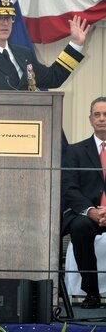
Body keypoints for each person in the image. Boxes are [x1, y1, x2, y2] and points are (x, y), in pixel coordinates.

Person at [62, 97, 106, 309]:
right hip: (87, 214)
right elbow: (69, 188)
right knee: (79, 228)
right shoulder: (75, 151)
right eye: (97, 115)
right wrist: (90, 211)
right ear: (90, 119)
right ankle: (92, 294)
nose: (102, 119)